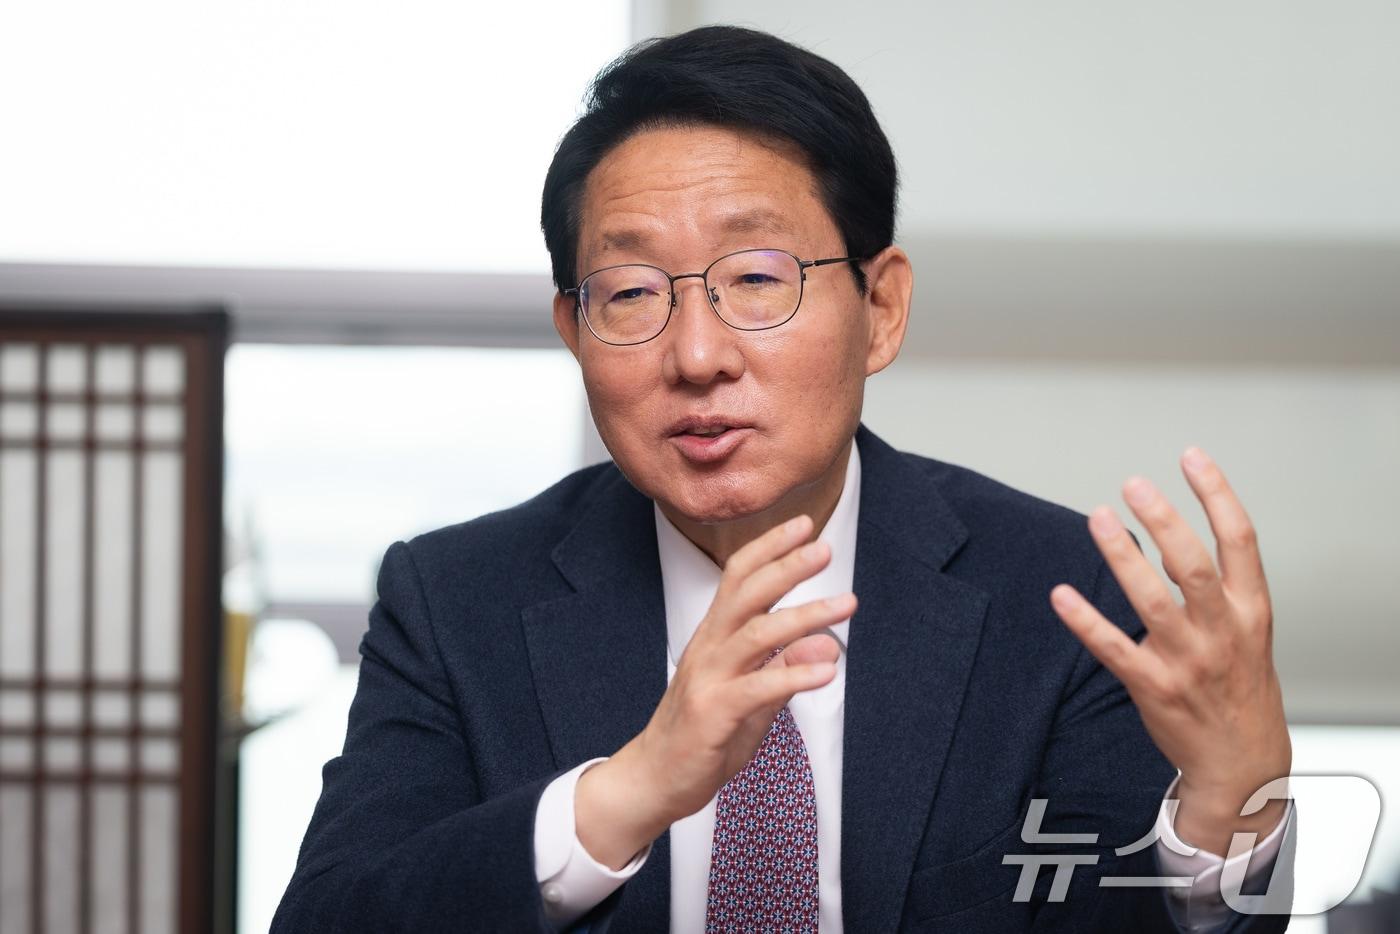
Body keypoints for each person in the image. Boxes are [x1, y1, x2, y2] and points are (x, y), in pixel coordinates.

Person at [271, 25, 1294, 933]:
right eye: (629, 292)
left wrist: (1224, 812)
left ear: (880, 307)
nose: (698, 354)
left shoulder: (1063, 591)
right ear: (573, 331)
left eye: (754, 278)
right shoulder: (455, 601)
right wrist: (627, 790)